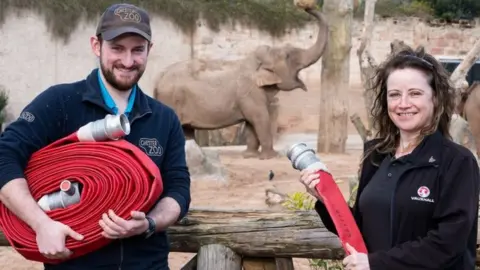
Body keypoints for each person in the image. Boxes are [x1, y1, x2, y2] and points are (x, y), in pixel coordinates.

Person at [0, 3, 190, 270]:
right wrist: (40, 223)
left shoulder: (164, 118)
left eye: (138, 50)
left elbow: (179, 189)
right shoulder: (60, 103)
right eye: (117, 48)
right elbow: (5, 156)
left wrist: (148, 223)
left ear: (150, 50)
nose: (127, 61)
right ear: (96, 46)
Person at [300, 46, 480, 270]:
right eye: (394, 94)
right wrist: (325, 199)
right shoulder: (376, 155)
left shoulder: (457, 162)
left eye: (415, 93)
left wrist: (376, 263)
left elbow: (448, 244)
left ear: (435, 98)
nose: (403, 103)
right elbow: (357, 230)